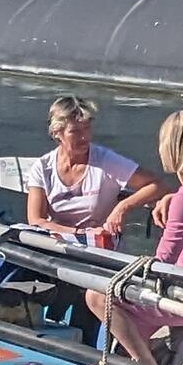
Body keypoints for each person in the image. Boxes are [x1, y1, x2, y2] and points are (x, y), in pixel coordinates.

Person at [86, 111, 183, 365]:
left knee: (96, 295)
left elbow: (161, 264)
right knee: (132, 313)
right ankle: (138, 354)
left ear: (171, 147)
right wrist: (171, 197)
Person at [22, 94, 165, 250]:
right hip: (58, 246)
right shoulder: (42, 168)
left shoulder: (106, 161)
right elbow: (36, 221)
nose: (84, 137)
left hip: (101, 247)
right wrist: (79, 233)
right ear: (57, 133)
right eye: (75, 131)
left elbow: (157, 185)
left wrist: (123, 207)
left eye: (87, 128)